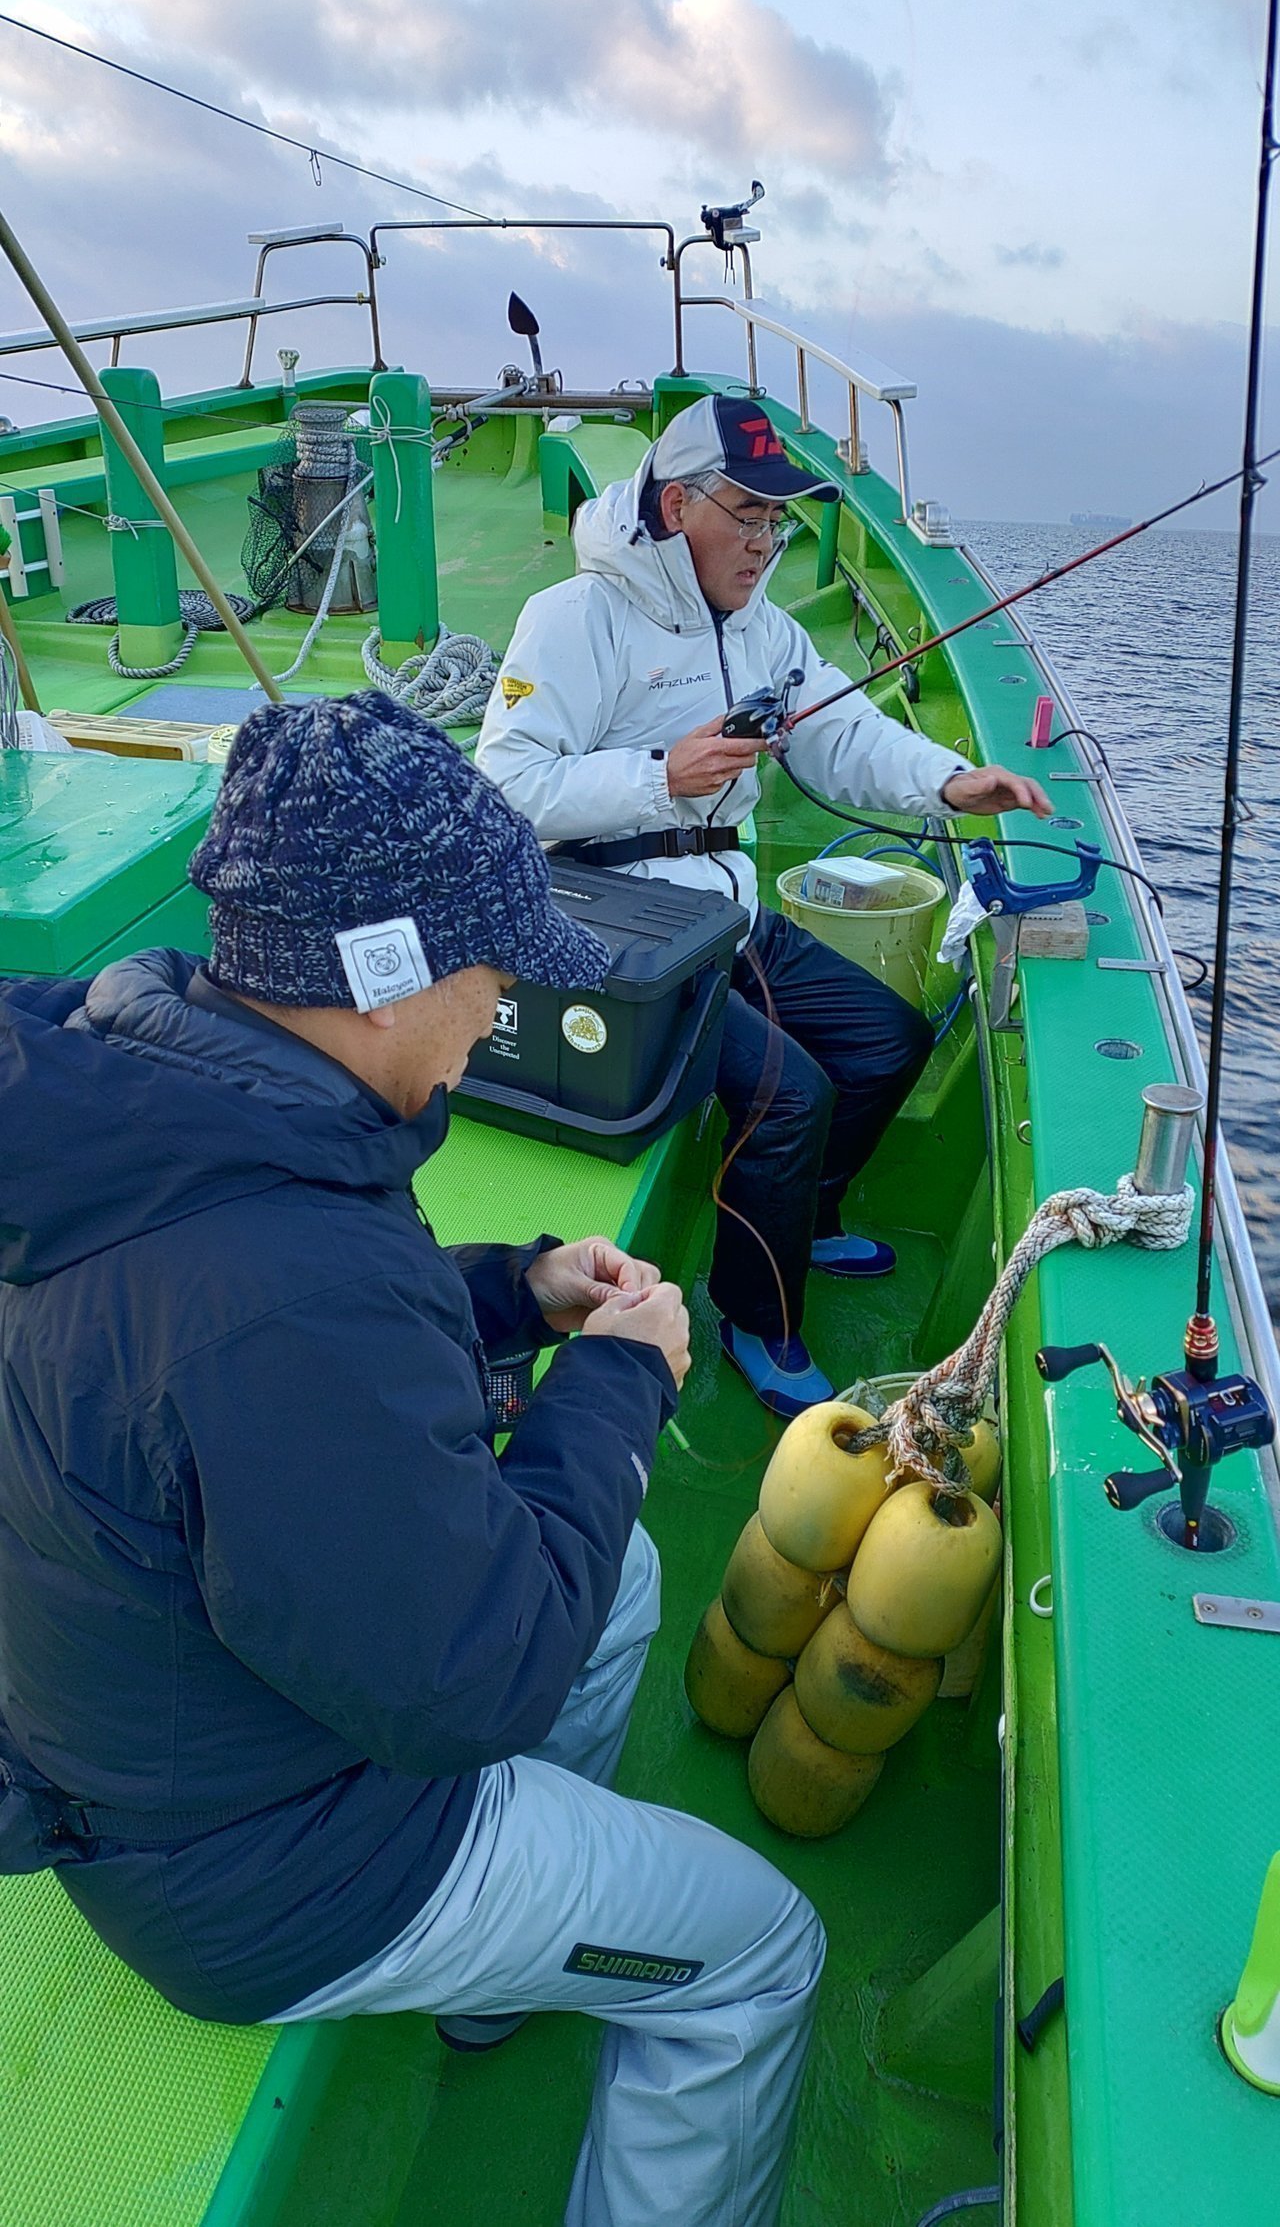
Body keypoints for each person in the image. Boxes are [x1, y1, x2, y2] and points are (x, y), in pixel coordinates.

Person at [0, 692, 824, 2227]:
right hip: (260, 1871)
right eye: (493, 977)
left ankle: (497, 1983)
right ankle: (498, 1939)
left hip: (178, 1732)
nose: (496, 1011)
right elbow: (475, 1679)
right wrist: (620, 1377)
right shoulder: (273, 1293)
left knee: (622, 1569)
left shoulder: (156, 1090)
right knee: (763, 1953)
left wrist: (516, 1291)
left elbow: (281, 1361)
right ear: (389, 981)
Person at [476, 394, 1051, 1415]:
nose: (763, 541)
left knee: (887, 1040)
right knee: (790, 1094)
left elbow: (842, 734)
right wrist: (660, 776)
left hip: (722, 914)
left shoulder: (766, 630)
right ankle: (754, 1315)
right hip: (614, 926)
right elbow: (506, 785)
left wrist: (950, 781)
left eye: (776, 520)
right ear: (674, 506)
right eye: (746, 515)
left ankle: (804, 1218)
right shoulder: (572, 617)